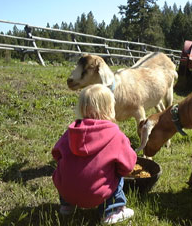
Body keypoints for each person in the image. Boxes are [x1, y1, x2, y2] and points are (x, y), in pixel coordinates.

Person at [52, 84, 137, 224]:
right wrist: (116, 173)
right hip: (97, 193)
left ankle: (67, 206)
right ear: (110, 108)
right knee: (118, 174)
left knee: (65, 170)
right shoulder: (115, 135)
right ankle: (111, 212)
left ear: (81, 107)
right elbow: (128, 166)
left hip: (66, 190)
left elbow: (56, 154)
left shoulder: (72, 131)